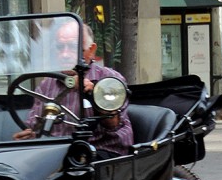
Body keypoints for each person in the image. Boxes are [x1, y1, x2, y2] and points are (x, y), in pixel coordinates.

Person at [14, 22, 133, 158]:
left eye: (72, 47)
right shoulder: (46, 85)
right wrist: (27, 137)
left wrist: (93, 93)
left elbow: (113, 124)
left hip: (100, 153)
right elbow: (34, 126)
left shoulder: (110, 80)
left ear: (91, 50)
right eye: (59, 47)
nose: (64, 54)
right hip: (56, 155)